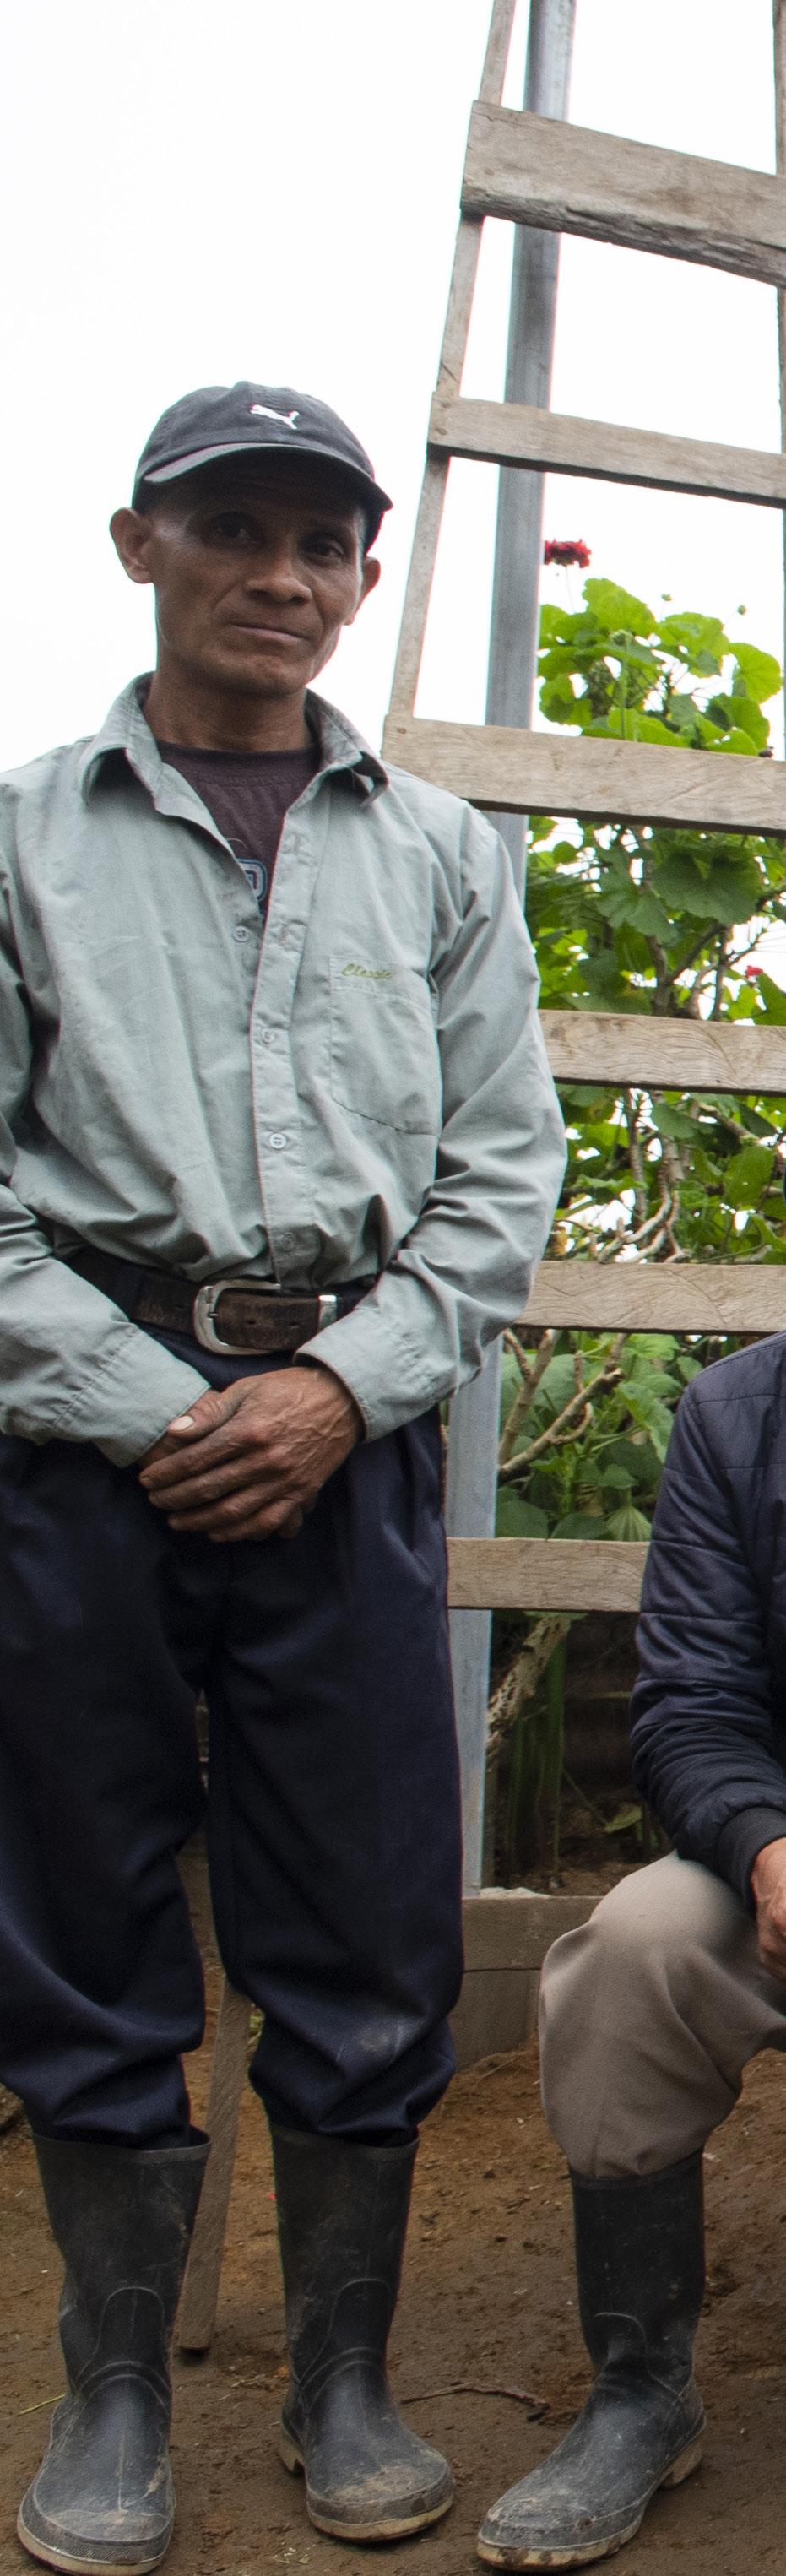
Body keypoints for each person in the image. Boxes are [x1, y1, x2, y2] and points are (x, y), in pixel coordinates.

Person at [0, 379, 566, 2572]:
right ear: (138, 543)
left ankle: (343, 2374)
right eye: (231, 526)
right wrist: (143, 1400)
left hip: (349, 1444)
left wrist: (337, 1388)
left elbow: (497, 1174)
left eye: (321, 541)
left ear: (360, 571)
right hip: (83, 1454)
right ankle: (114, 2384)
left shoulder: (437, 853)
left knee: (362, 1915)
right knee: (82, 1903)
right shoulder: (27, 837)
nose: (281, 575)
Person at [477, 1329, 786, 2568]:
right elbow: (693, 1703)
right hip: (779, 1852)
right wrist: (766, 1850)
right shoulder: (741, 1412)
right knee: (633, 1955)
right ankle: (640, 2390)